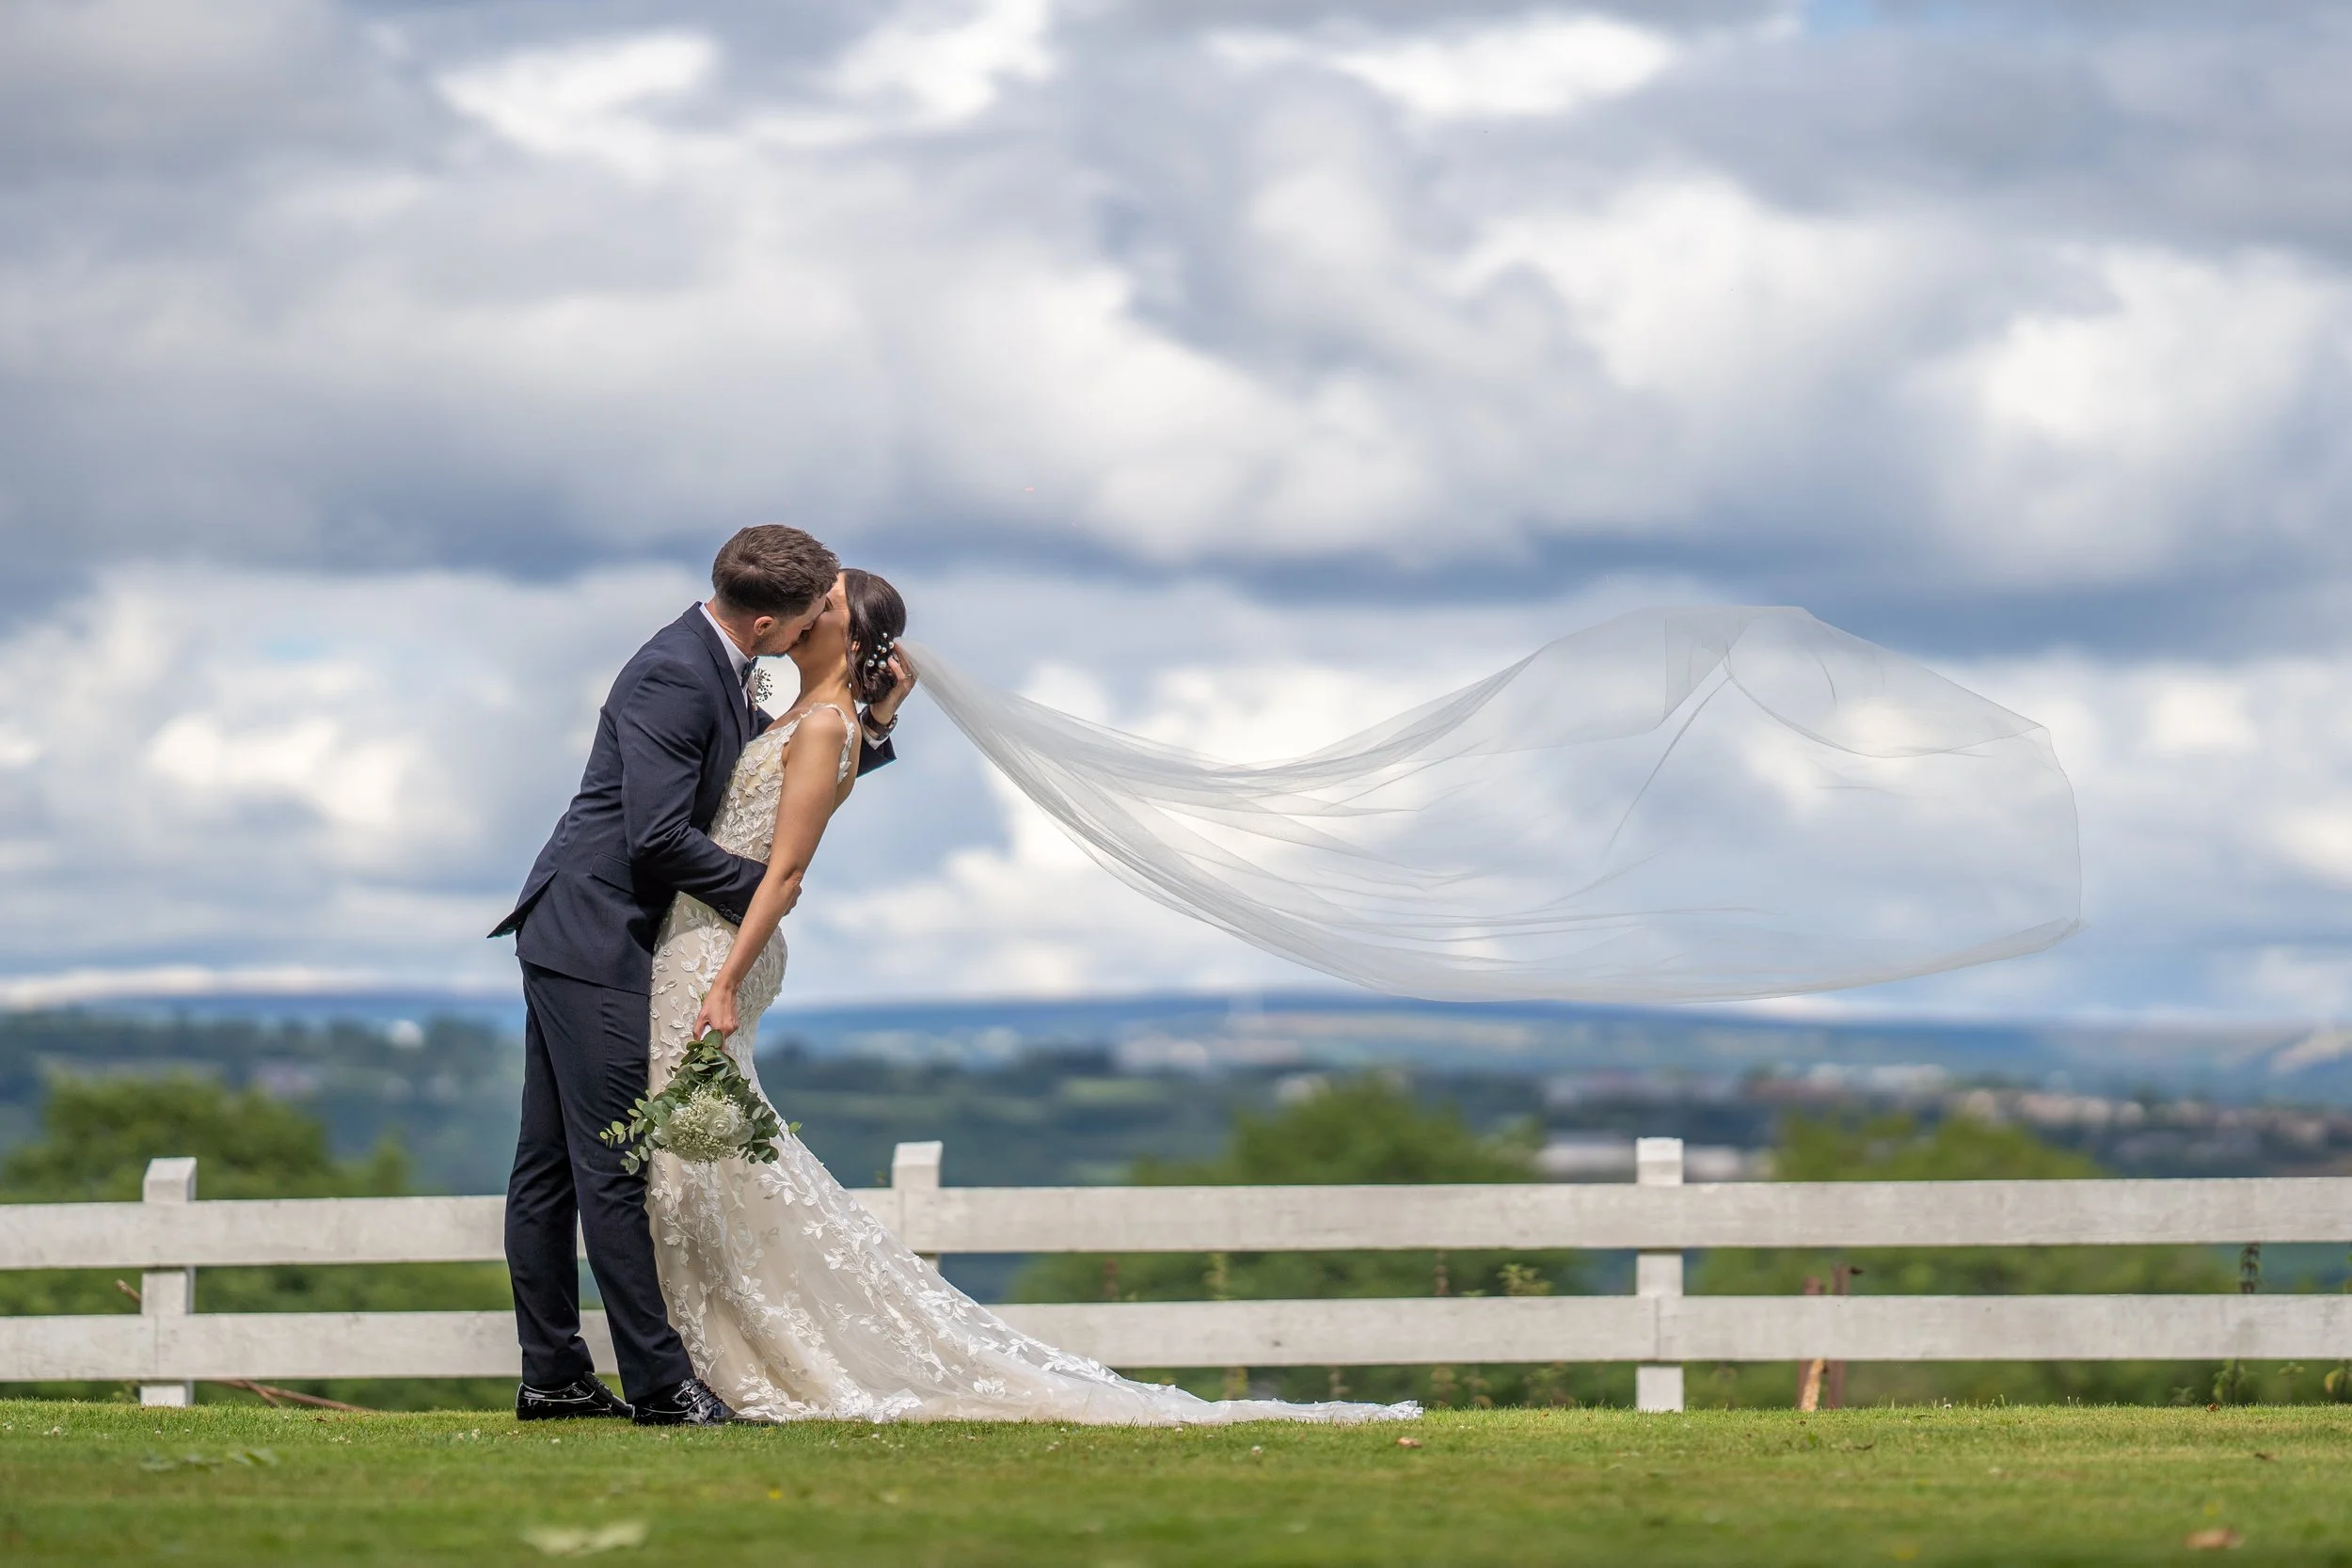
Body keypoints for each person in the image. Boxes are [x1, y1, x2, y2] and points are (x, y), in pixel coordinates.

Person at [642, 567, 1416, 1424]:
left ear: (850, 636)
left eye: (821, 604)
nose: (802, 610)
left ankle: (746, 1357)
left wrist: (721, 982)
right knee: (692, 1159)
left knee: (695, 1155)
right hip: (699, 937)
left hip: (723, 948)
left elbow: (784, 873)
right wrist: (884, 715)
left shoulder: (824, 726)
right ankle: (721, 1352)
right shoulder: (807, 716)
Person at [488, 526, 912, 1426]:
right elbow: (658, 838)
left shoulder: (719, 664)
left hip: (600, 930)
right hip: (593, 931)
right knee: (608, 1163)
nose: (811, 629)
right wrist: (771, 893)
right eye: (807, 616)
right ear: (766, 621)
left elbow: (773, 768)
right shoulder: (678, 671)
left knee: (554, 1166)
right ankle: (658, 1384)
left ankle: (553, 1377)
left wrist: (870, 729)